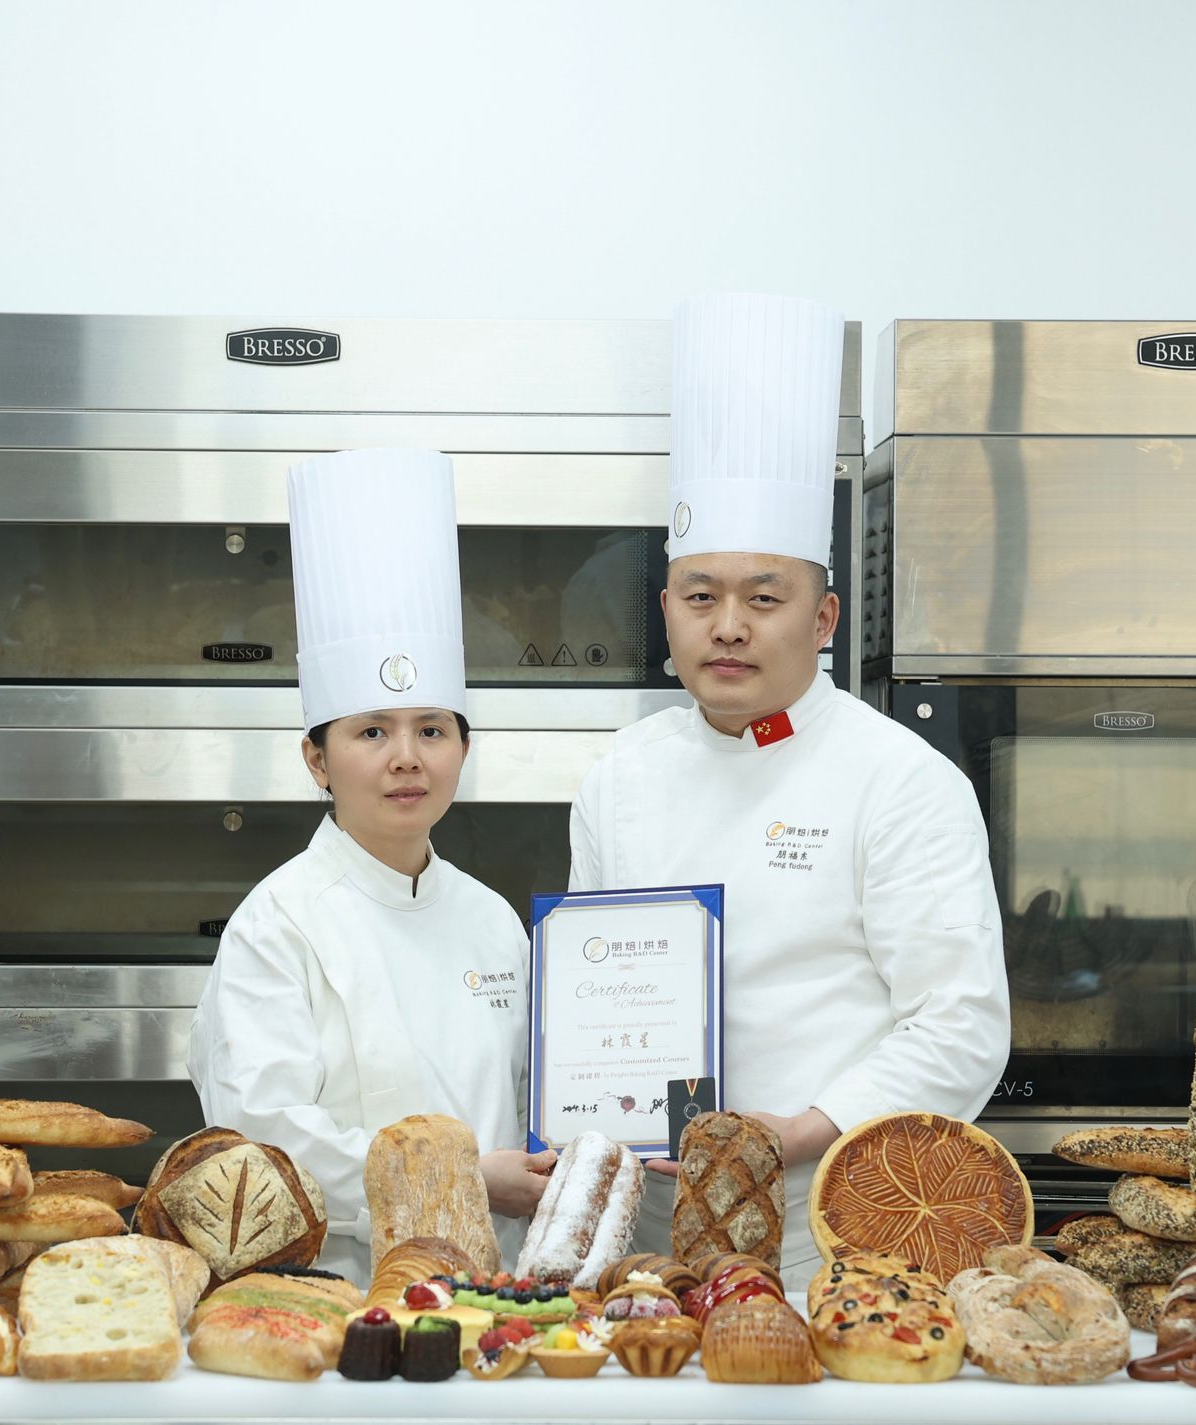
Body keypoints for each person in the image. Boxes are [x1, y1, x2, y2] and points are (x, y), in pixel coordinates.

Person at [568, 294, 1010, 1290]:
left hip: (834, 1236)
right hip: (649, 1241)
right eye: (701, 596)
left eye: (764, 598)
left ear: (823, 620)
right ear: (667, 611)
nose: (728, 625)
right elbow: (596, 999)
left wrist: (801, 1130)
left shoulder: (901, 781)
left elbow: (961, 1025)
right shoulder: (619, 779)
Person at [189, 447, 553, 1284]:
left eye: (433, 729)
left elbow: (534, 1100)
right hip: (338, 1296)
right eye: (372, 731)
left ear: (463, 750)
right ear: (317, 760)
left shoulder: (493, 919)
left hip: (496, 1292)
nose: (406, 757)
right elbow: (264, 1138)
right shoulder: (279, 922)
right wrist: (465, 1179)